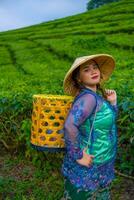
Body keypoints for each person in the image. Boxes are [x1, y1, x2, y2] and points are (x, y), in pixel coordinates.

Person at [61, 54, 118, 200]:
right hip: (91, 163)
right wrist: (78, 156)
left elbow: (106, 125)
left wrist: (112, 103)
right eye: (86, 70)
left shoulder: (95, 96)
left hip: (101, 159)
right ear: (79, 79)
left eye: (95, 68)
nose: (93, 71)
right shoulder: (89, 98)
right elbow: (69, 126)